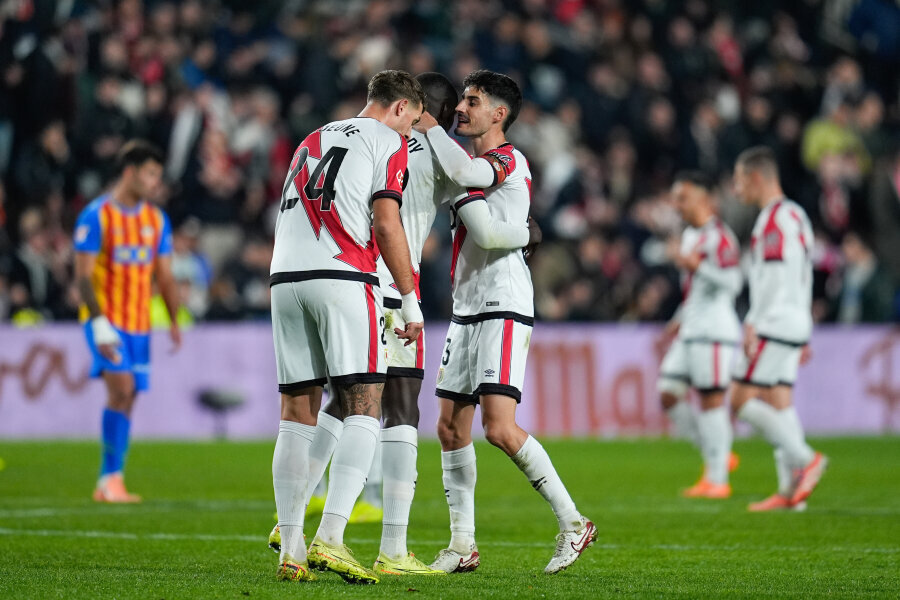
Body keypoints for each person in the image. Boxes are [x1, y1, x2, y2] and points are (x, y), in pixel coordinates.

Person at [268, 71, 538, 575]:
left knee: (325, 403)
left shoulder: (325, 134)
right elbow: (478, 223)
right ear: (426, 114)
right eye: (454, 110)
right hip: (379, 285)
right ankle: (388, 546)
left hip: (296, 273)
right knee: (396, 409)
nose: (460, 117)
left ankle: (291, 526)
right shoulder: (429, 151)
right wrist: (526, 231)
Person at [414, 70, 595, 575]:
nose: (460, 108)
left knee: (498, 427)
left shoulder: (507, 160)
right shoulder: (466, 164)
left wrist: (431, 128)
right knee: (450, 427)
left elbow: (488, 231)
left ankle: (574, 522)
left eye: (472, 101)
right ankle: (462, 545)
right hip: (466, 306)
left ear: (499, 114)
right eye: (461, 100)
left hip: (503, 302)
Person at [269, 70, 424, 584]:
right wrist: (410, 301)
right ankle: (331, 537)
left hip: (284, 278)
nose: (409, 133)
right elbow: (386, 222)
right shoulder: (387, 142)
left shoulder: (311, 138)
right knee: (365, 401)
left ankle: (291, 549)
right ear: (400, 107)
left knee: (296, 412)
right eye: (412, 122)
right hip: (342, 274)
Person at [73, 140, 182, 503]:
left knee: (130, 395)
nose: (155, 182)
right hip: (105, 320)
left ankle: (111, 479)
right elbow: (82, 277)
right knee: (120, 389)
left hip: (139, 323)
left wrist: (174, 320)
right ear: (130, 172)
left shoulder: (156, 220)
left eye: (158, 176)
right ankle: (109, 479)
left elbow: (164, 276)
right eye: (150, 174)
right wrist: (98, 323)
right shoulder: (96, 215)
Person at [729, 146, 828, 511]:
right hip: (794, 319)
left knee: (740, 400)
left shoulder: (772, 219)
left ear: (756, 178)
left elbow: (774, 278)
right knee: (778, 400)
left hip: (775, 320)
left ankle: (807, 460)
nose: (736, 189)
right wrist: (803, 327)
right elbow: (801, 274)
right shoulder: (797, 215)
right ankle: (790, 493)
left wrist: (754, 321)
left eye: (739, 181)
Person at [656, 171, 742, 498]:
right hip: (692, 328)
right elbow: (696, 289)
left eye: (683, 198)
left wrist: (698, 266)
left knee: (710, 400)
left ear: (703, 199)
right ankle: (717, 453)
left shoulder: (720, 237)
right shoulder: (691, 235)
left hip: (714, 330)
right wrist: (680, 317)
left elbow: (734, 283)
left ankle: (717, 479)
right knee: (668, 392)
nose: (677, 204)